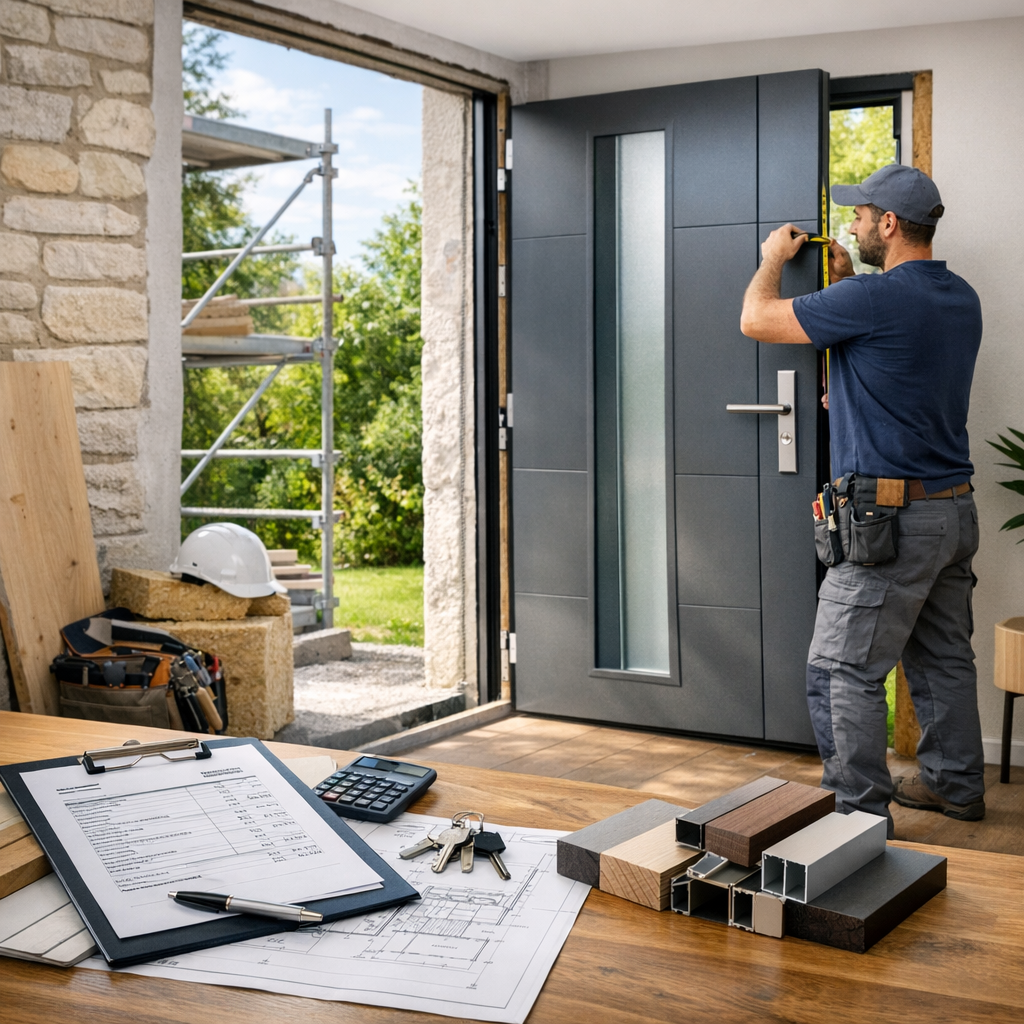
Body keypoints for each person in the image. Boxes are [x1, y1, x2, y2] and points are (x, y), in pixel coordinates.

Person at [738, 164, 985, 833]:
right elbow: (893, 364)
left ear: (889, 224)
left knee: (841, 669)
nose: (848, 223)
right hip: (953, 510)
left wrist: (770, 261)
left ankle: (856, 817)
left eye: (858, 213)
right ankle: (957, 786)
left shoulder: (876, 302)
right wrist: (845, 280)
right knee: (941, 658)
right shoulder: (960, 298)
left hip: (892, 520)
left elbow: (757, 319)